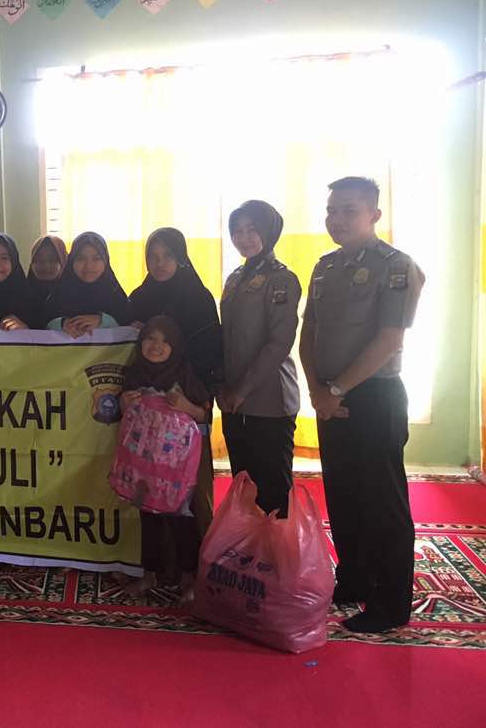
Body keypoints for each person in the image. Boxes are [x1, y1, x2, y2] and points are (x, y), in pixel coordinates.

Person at [300, 176, 424, 634]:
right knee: (344, 494)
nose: (337, 219)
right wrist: (318, 390)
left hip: (374, 396)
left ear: (374, 214)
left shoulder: (395, 265)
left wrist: (335, 391)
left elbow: (390, 338)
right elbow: (309, 333)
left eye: (349, 210)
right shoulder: (325, 267)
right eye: (332, 211)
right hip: (329, 396)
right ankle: (353, 579)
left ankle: (390, 603)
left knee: (382, 502)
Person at [129, 228, 222, 539]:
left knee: (190, 487)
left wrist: (194, 399)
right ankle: (156, 558)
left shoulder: (198, 298)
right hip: (148, 409)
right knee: (148, 482)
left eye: (168, 255)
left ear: (181, 258)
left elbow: (210, 351)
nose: (160, 263)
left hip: (187, 399)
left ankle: (194, 559)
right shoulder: (139, 298)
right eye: (153, 257)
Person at [116, 316, 210, 603]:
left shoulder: (184, 374)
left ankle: (188, 578)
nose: (155, 346)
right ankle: (150, 574)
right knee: (148, 518)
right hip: (142, 465)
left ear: (175, 346)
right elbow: (122, 413)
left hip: (176, 469)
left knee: (182, 518)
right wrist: (123, 403)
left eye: (164, 341)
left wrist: (186, 406)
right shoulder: (134, 374)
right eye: (150, 338)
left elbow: (204, 414)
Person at [219, 201, 301, 517]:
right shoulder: (235, 279)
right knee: (244, 484)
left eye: (252, 229)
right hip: (233, 401)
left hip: (268, 401)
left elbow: (278, 344)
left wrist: (242, 390)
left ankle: (277, 547)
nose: (244, 238)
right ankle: (250, 545)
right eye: (237, 231)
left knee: (272, 490)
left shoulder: (282, 280)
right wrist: (224, 389)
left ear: (269, 231)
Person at [43, 231, 132, 337]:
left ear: (105, 261)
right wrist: (62, 324)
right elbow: (42, 323)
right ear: (72, 262)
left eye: (96, 258)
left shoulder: (115, 296)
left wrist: (103, 321)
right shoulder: (59, 295)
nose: (88, 266)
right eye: (80, 259)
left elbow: (128, 324)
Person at [27, 234, 67, 305]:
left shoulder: (73, 297)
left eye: (52, 260)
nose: (46, 266)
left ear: (63, 262)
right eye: (39, 260)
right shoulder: (19, 296)